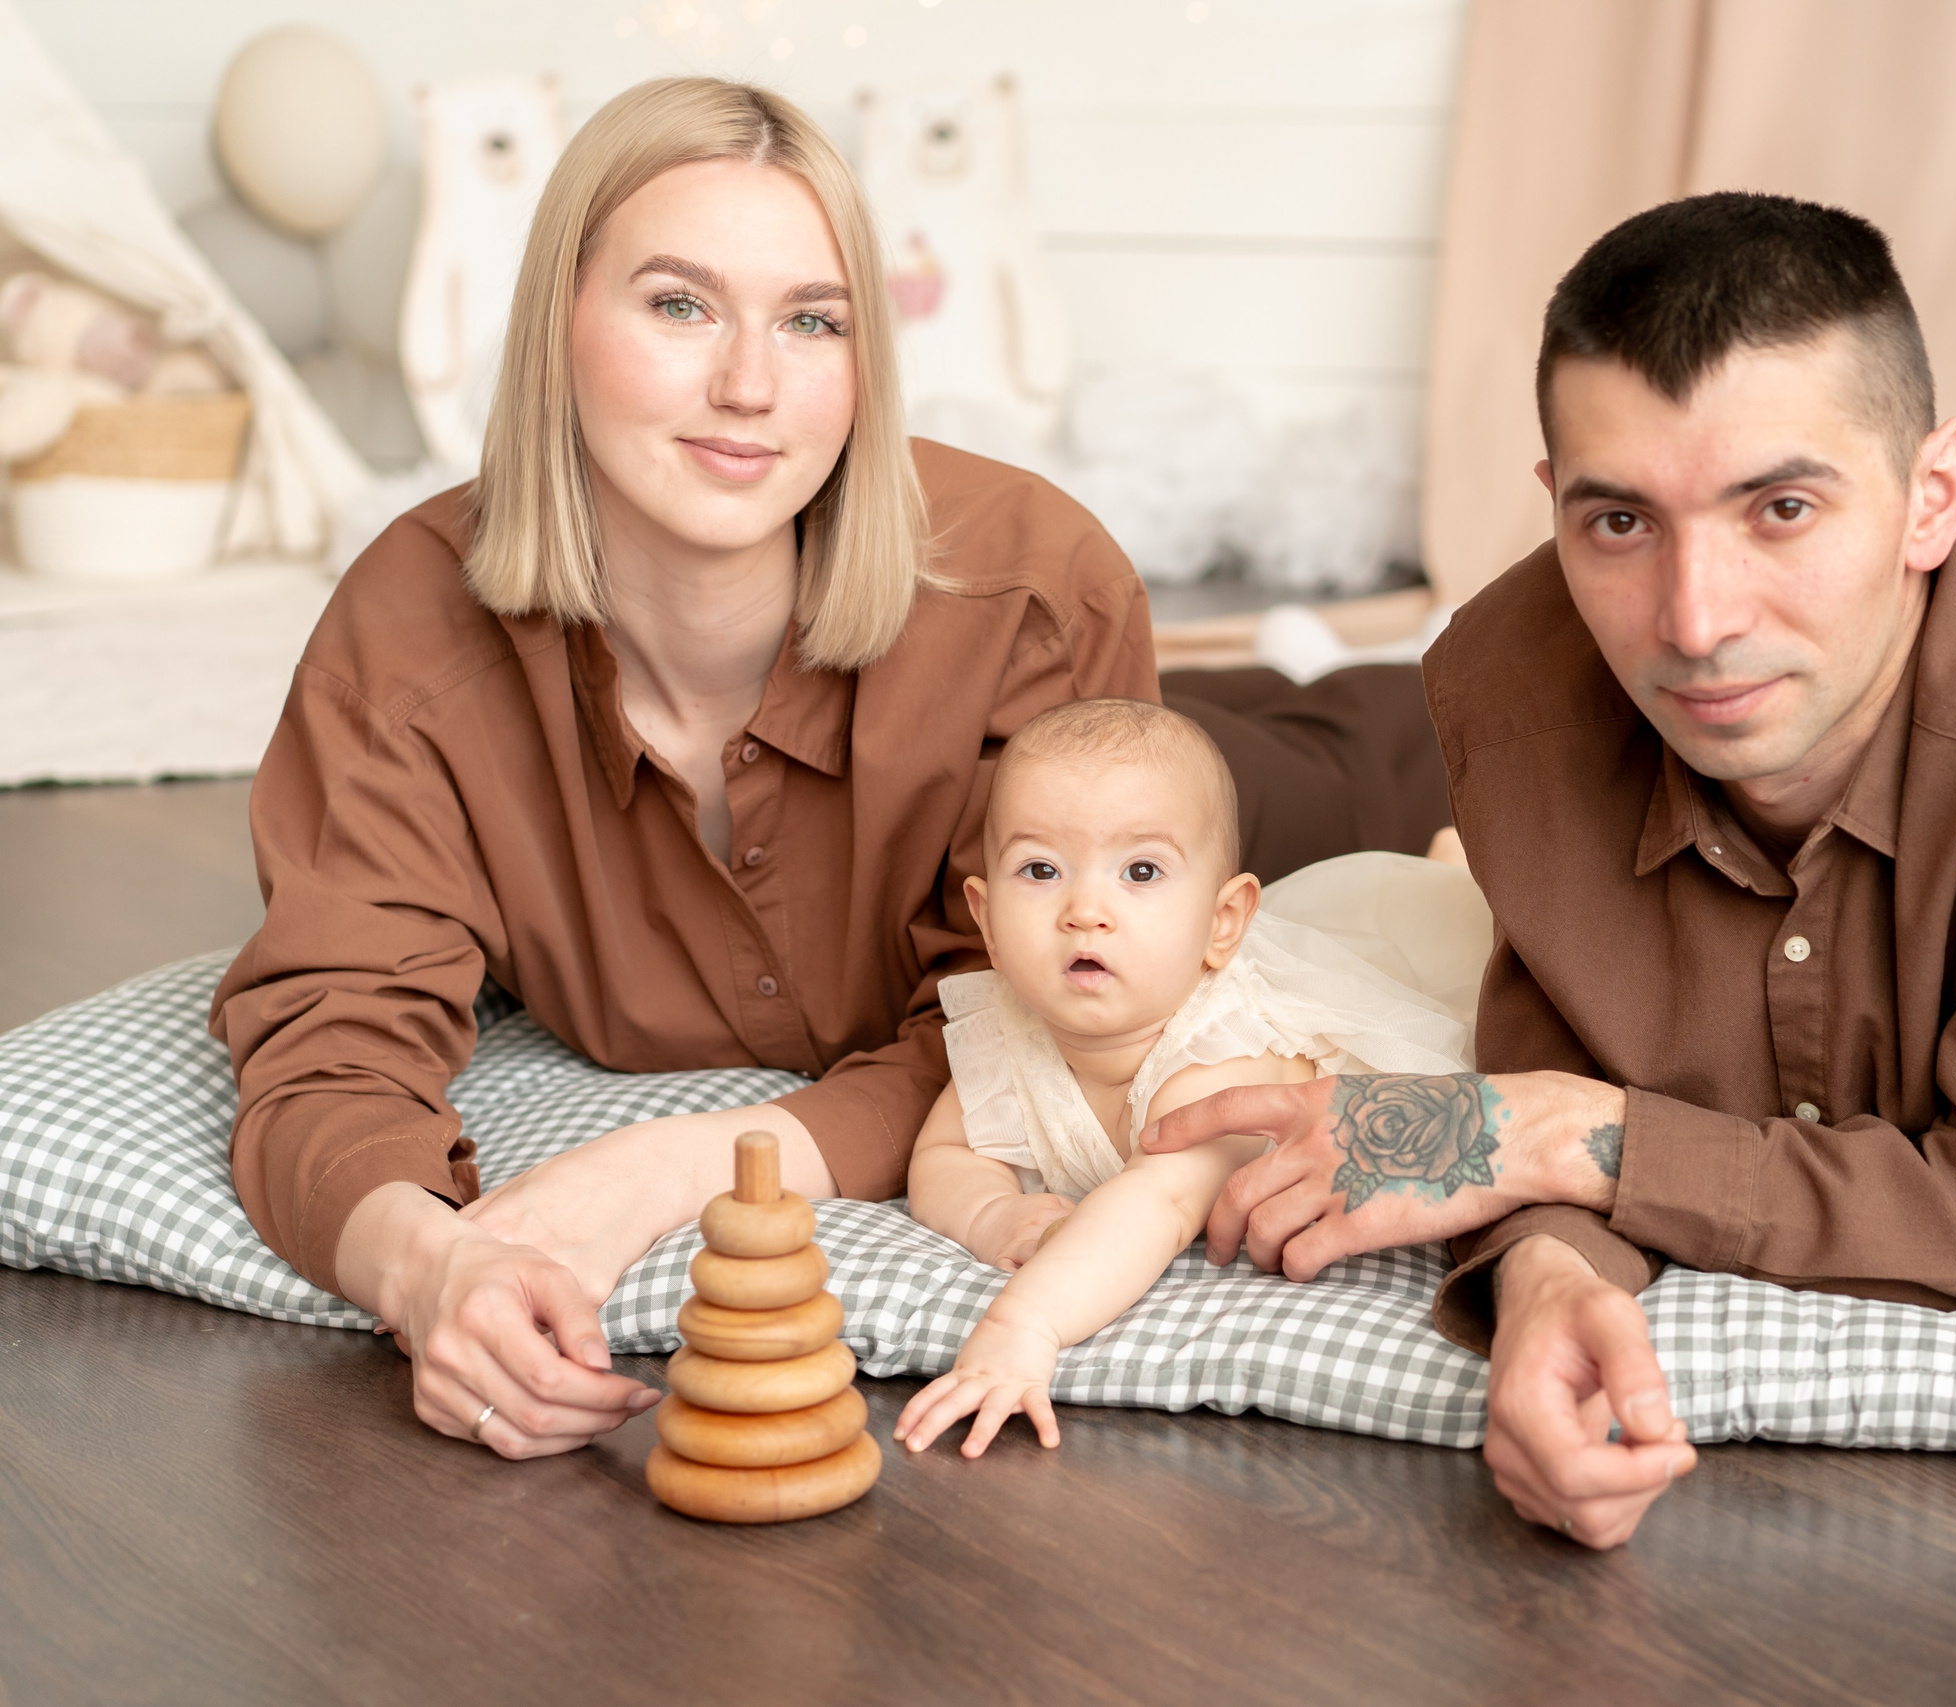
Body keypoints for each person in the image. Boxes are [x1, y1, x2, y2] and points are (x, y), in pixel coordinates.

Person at [1146, 192, 1956, 1549]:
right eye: (1622, 522)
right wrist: (1547, 1287)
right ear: (1555, 507)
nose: (1696, 620)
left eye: (1781, 507)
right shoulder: (1519, 692)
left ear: (1933, 496)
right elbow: (1569, 1044)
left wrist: (1553, 1130)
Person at [210, 78, 1447, 1461]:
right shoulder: (410, 627)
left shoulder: (1036, 589)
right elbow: (327, 1037)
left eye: (814, 321)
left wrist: (664, 1172)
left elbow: (1032, 1022)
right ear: (556, 323)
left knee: (1411, 760)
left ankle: (1362, 667)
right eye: (680, 304)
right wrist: (425, 1266)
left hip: (1277, 804)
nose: (750, 384)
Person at [892, 698, 1474, 1457]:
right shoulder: (1007, 1024)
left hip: (1427, 967)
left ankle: (1452, 864)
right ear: (988, 920)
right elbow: (944, 1154)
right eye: (1041, 869)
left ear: (1222, 922)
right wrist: (992, 1216)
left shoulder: (1217, 1054)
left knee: (1461, 949)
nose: (1085, 910)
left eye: (1140, 870)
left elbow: (1158, 1202)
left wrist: (1022, 1325)